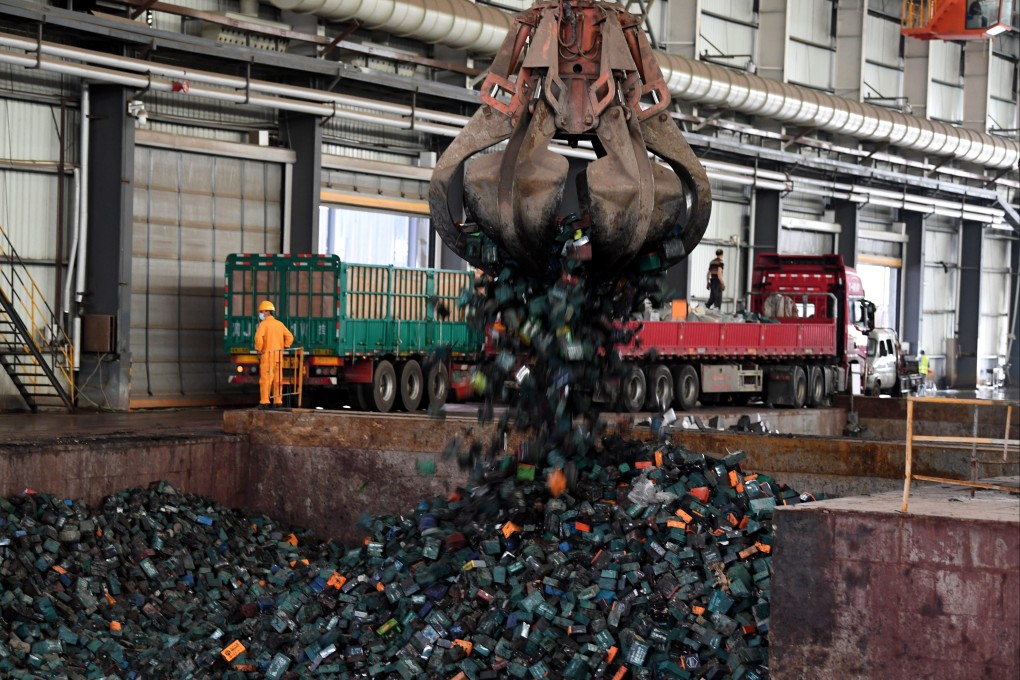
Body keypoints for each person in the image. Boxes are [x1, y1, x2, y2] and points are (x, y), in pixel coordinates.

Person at [255, 300, 294, 409]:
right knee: (278, 380)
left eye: (262, 311)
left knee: (265, 380)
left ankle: (264, 402)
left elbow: (259, 338)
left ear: (267, 312)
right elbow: (290, 337)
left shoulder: (263, 324)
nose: (261, 314)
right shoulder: (279, 324)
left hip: (267, 357)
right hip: (278, 356)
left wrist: (259, 349)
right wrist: (286, 345)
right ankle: (278, 401)